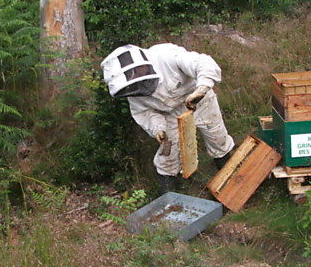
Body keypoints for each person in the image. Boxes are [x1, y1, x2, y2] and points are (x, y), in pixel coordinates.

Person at [101, 43, 235, 193]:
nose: (136, 79)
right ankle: (170, 194)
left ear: (141, 63)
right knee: (168, 152)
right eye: (132, 78)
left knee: (217, 137)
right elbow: (145, 113)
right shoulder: (133, 89)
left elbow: (202, 63)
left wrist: (202, 88)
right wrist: (158, 128)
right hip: (170, 115)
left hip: (200, 101)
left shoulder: (165, 55)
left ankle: (230, 180)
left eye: (137, 72)